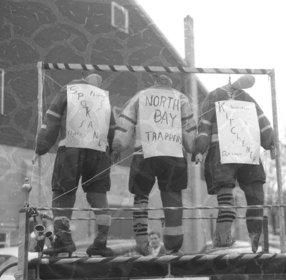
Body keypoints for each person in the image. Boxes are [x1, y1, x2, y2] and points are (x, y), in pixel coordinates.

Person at [112, 74, 196, 255]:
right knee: (172, 194)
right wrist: (193, 147)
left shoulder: (141, 96)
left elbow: (126, 120)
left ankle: (141, 240)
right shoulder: (181, 98)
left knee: (140, 194)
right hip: (173, 153)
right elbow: (188, 125)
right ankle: (174, 240)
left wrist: (119, 143)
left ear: (155, 82)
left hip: (144, 152)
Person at [35, 73, 116, 257]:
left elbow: (52, 120)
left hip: (71, 149)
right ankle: (101, 242)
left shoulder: (68, 90)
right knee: (98, 196)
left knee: (63, 194)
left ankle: (64, 240)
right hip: (99, 153)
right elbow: (112, 129)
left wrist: (42, 145)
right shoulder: (104, 98)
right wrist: (111, 153)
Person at [193, 75, 274, 253]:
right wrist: (200, 148)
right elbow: (205, 124)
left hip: (241, 150)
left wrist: (270, 141)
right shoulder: (222, 96)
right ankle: (225, 238)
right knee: (237, 198)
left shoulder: (230, 97)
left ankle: (252, 235)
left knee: (253, 196)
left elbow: (261, 120)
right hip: (229, 150)